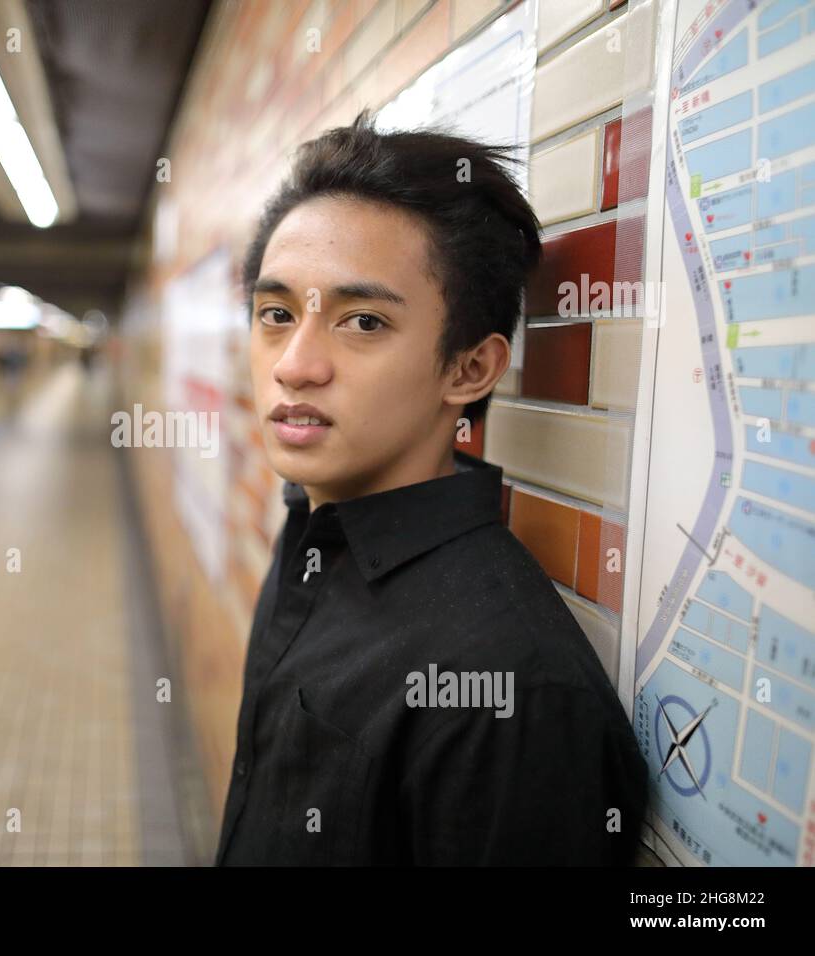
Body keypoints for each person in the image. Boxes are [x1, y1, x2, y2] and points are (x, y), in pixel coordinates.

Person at [215, 111, 649, 866]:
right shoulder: (312, 528)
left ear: (469, 370)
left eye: (362, 322)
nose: (295, 364)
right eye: (277, 315)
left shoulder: (514, 691)